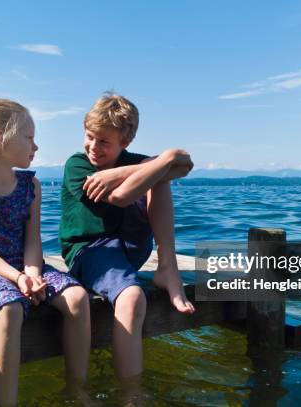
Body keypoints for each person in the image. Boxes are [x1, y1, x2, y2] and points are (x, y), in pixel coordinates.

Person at [0, 99, 90, 407]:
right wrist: (18, 278)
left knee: (77, 298)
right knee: (9, 307)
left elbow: (33, 241)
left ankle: (77, 392)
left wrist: (33, 275)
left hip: (26, 264)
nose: (35, 146)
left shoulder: (30, 185)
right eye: (29, 138)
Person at [59, 92, 195, 389]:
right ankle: (132, 396)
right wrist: (162, 161)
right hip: (89, 251)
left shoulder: (128, 160)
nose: (93, 147)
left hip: (130, 247)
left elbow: (184, 164)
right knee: (133, 297)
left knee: (159, 175)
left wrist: (135, 167)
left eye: (104, 142)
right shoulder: (77, 165)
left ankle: (167, 266)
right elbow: (121, 197)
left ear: (125, 142)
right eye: (90, 137)